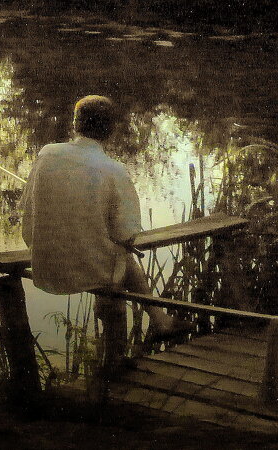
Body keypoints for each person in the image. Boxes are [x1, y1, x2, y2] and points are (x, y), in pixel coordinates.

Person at [20, 95, 180, 338]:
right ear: (112, 130)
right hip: (88, 269)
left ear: (75, 125)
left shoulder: (46, 154)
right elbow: (126, 234)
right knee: (121, 261)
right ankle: (118, 358)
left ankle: (158, 320)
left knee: (118, 260)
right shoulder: (114, 171)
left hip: (46, 262)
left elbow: (28, 206)